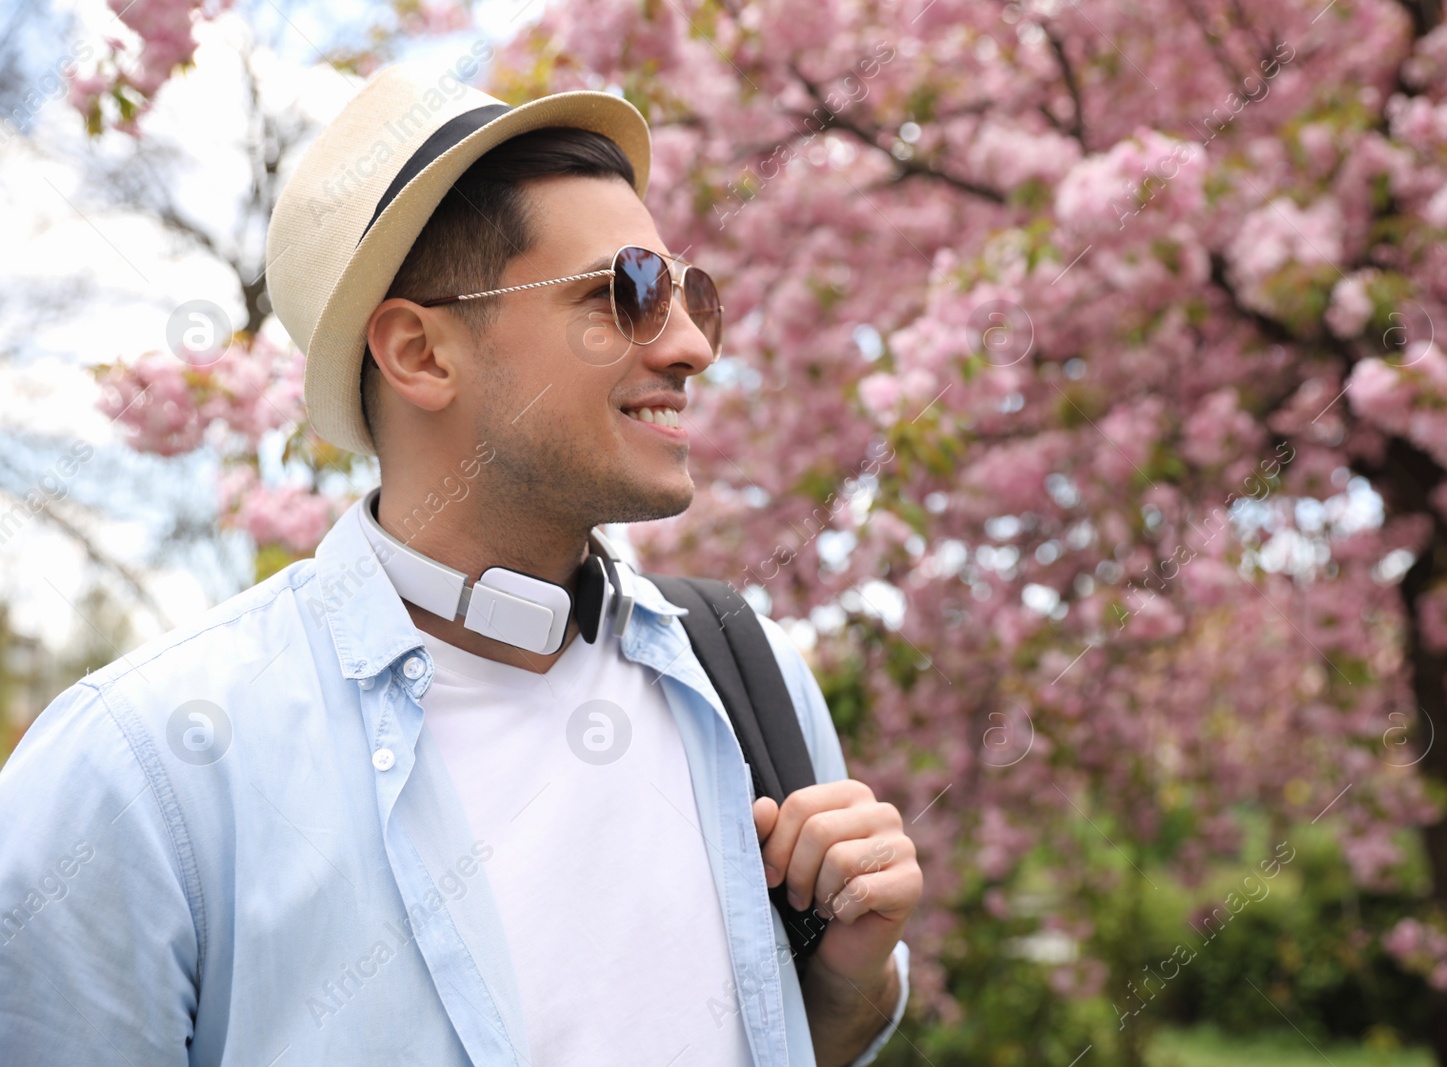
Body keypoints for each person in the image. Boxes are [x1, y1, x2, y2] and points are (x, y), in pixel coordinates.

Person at [0, 59, 919, 1066]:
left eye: (690, 291)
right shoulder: (141, 768)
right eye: (629, 292)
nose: (691, 342)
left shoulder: (746, 681)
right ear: (421, 353)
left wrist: (846, 984)